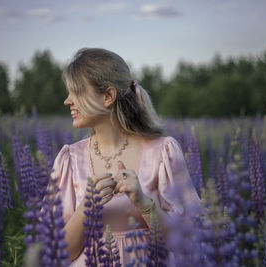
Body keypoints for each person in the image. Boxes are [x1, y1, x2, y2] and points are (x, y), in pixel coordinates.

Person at [51, 48, 200, 266]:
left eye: (77, 92)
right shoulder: (70, 160)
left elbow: (186, 242)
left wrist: (144, 204)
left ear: (108, 96)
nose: (67, 101)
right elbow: (59, 252)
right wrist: (86, 208)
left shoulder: (163, 153)